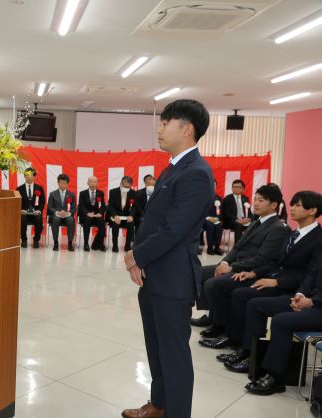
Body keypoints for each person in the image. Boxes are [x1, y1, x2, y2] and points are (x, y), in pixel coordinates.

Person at [121, 99, 214, 418]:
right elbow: (151, 221)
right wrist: (141, 258)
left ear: (187, 129)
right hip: (155, 274)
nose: (159, 128)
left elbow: (175, 229)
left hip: (173, 279)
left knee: (174, 355)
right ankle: (159, 404)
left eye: (165, 123)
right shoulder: (175, 167)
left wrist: (136, 255)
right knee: (157, 350)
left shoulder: (197, 173)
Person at [215, 191, 322, 373]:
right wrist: (253, 272)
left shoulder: (318, 239)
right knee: (241, 293)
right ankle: (244, 348)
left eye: (298, 205)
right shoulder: (294, 234)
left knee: (253, 301)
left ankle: (252, 354)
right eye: (292, 204)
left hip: (294, 287)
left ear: (312, 210)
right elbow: (275, 262)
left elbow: (309, 273)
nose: (292, 208)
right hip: (279, 279)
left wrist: (277, 283)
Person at [197, 185, 290, 349]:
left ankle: (225, 329)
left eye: (261, 200)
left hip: (252, 271)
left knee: (214, 284)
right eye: (255, 199)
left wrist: (233, 267)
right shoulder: (256, 223)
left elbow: (263, 258)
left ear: (274, 205)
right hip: (237, 265)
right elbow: (237, 247)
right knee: (201, 273)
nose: (255, 203)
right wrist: (224, 262)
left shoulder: (277, 228)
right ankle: (214, 319)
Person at [239, 255, 322, 395]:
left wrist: (312, 302)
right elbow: (312, 275)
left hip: (318, 306)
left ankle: (275, 377)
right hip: (313, 302)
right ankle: (254, 360)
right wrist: (300, 296)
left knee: (281, 321)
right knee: (258, 305)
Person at [16, 167, 45, 248]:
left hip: (35, 213)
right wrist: (21, 210)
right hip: (24, 213)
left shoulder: (39, 188)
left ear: (34, 176)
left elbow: (42, 201)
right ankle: (24, 240)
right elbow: (16, 202)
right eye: (27, 175)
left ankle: (36, 240)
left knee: (39, 219)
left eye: (31, 175)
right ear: (25, 176)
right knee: (22, 219)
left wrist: (39, 210)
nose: (29, 177)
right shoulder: (19, 189)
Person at [47, 173, 76, 252]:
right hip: (57, 215)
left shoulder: (71, 194)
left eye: (64, 183)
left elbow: (74, 208)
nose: (62, 185)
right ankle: (56, 242)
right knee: (55, 220)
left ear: (67, 184)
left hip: (67, 215)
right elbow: (49, 207)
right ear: (58, 183)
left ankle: (70, 242)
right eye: (61, 183)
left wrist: (68, 213)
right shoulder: (52, 194)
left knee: (71, 220)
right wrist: (57, 212)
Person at [107, 176, 136, 252]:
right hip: (116, 216)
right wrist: (115, 216)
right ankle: (115, 245)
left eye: (128, 187)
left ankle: (127, 245)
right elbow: (111, 206)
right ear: (120, 184)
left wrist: (131, 216)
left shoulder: (133, 193)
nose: (126, 188)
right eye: (124, 186)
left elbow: (134, 207)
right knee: (115, 224)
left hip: (127, 216)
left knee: (131, 223)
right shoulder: (113, 192)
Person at [78, 176, 106, 251]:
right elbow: (81, 206)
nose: (93, 184)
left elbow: (103, 205)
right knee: (87, 219)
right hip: (87, 216)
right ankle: (86, 244)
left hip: (97, 216)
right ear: (88, 183)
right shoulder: (83, 193)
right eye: (91, 182)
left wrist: (100, 213)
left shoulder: (100, 193)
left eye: (95, 182)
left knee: (101, 221)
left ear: (97, 184)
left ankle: (100, 243)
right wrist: (87, 213)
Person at [203, 181, 224, 256]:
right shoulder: (202, 197)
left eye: (214, 185)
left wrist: (218, 218)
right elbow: (201, 211)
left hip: (215, 219)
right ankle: (210, 248)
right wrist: (208, 218)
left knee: (219, 225)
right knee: (210, 225)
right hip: (205, 219)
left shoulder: (219, 198)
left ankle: (217, 247)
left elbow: (221, 211)